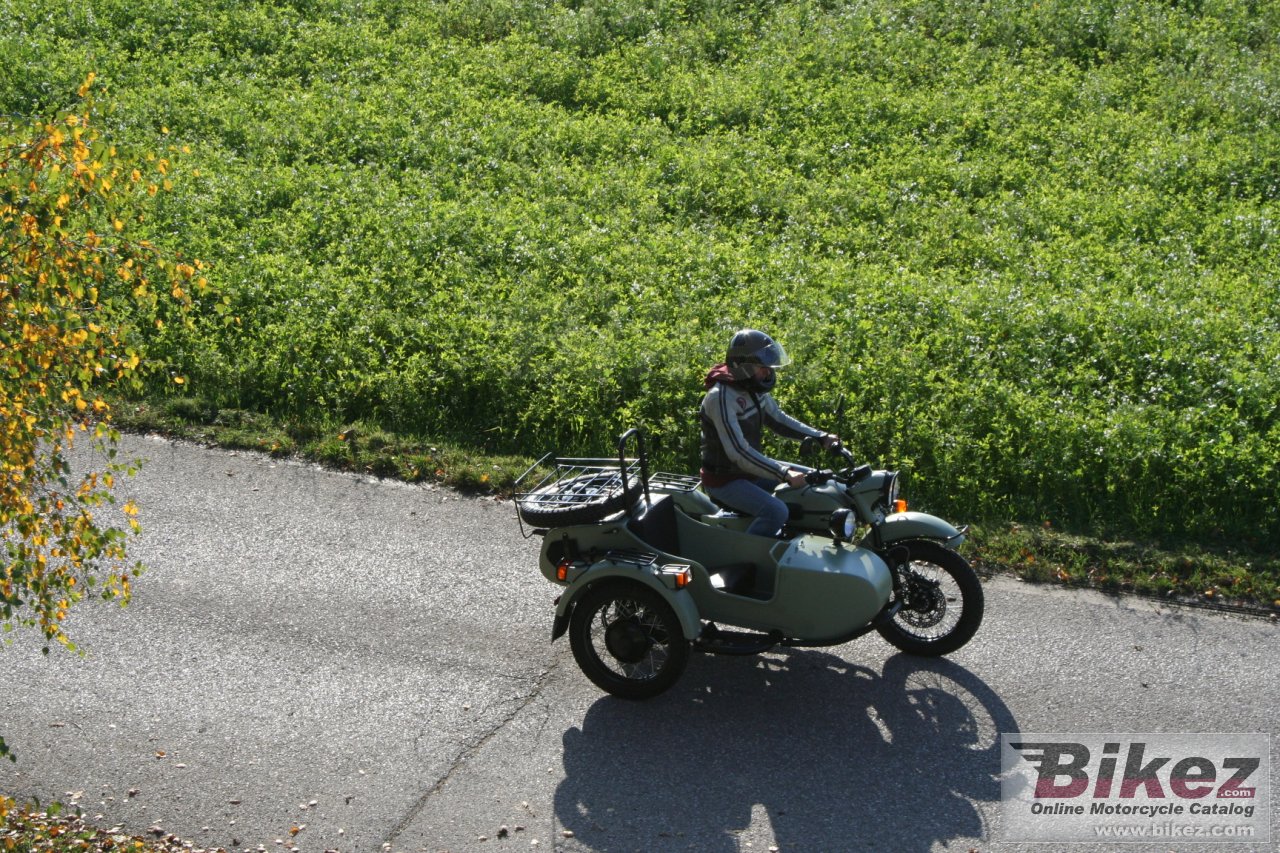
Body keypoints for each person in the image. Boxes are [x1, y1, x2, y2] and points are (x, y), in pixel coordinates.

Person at [699, 329, 840, 537]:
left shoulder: (751, 390)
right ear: (742, 366)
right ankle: (748, 557)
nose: (768, 372)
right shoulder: (720, 398)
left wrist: (820, 436)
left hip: (750, 472)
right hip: (725, 480)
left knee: (816, 481)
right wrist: (783, 473)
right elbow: (738, 452)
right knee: (775, 511)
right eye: (762, 367)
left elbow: (778, 420)